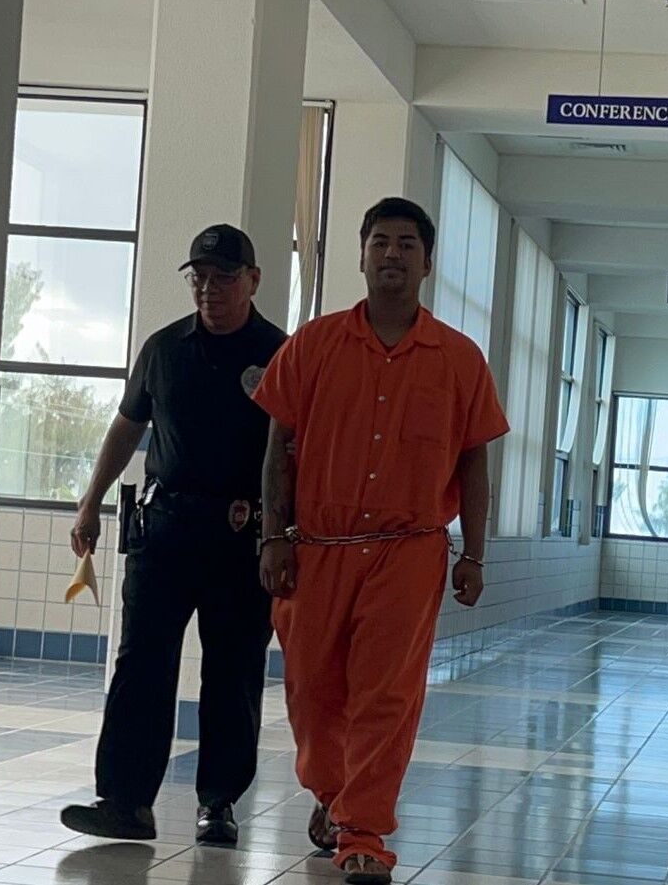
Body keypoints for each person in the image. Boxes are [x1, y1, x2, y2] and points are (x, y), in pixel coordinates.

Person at [253, 198, 509, 884]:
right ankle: (333, 794)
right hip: (317, 548)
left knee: (385, 695)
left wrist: (474, 552)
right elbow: (279, 444)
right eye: (379, 242)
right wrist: (272, 536)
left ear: (426, 262)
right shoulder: (311, 344)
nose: (391, 254)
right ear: (361, 254)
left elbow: (474, 461)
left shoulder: (458, 358)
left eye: (406, 245)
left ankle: (362, 830)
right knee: (312, 691)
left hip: (408, 551)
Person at [60, 224, 287, 845]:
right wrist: (90, 503)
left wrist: (284, 534)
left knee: (233, 670)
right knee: (142, 664)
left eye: (223, 278)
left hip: (243, 536)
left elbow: (298, 450)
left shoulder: (281, 353)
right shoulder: (163, 349)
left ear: (253, 281)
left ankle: (218, 802)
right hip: (165, 530)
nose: (209, 291)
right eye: (200, 279)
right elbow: (128, 427)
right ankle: (125, 802)